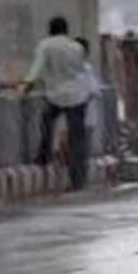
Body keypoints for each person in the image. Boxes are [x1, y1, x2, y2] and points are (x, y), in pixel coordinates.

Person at [20, 16, 97, 191]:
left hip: (56, 94)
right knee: (78, 138)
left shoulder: (46, 45)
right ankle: (78, 180)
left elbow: (36, 69)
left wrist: (26, 86)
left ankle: (44, 155)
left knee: (47, 121)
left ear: (50, 29)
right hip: (78, 96)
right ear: (66, 30)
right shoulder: (76, 47)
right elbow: (81, 70)